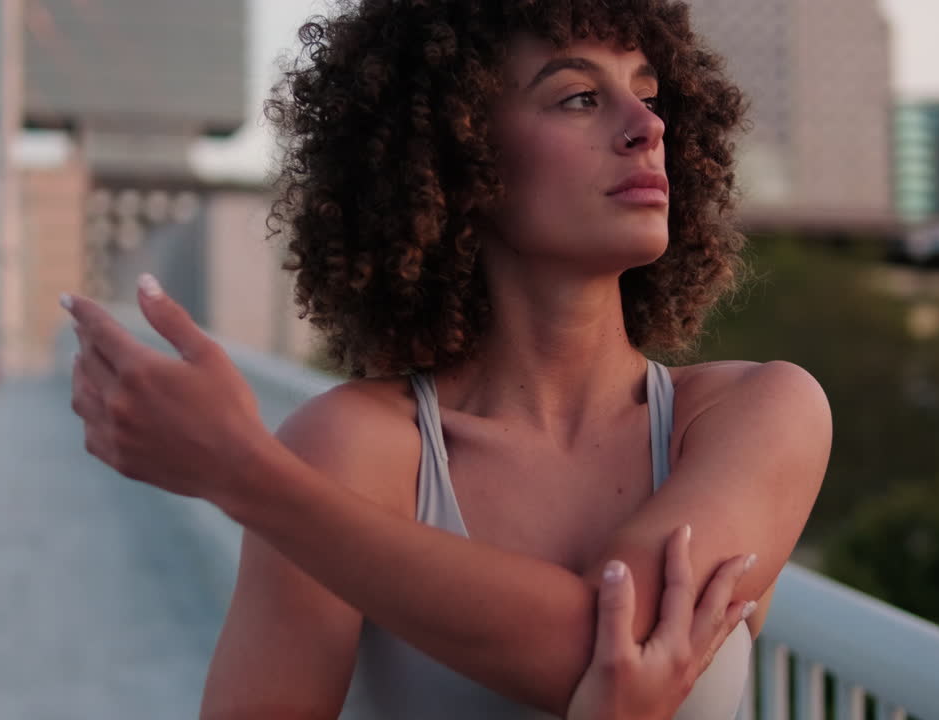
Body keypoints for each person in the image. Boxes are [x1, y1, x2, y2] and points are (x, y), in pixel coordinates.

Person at [64, 1, 831, 718]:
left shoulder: (757, 413)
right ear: (459, 155)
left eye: (648, 92)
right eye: (578, 98)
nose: (645, 127)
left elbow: (619, 637)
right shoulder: (351, 453)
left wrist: (249, 479)